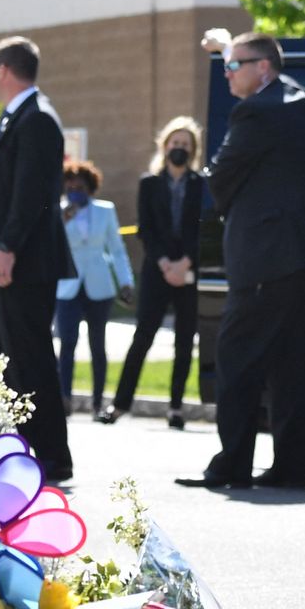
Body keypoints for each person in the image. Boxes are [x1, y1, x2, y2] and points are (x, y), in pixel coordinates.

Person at [176, 32, 305, 491]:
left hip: (266, 257)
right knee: (289, 364)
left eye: (234, 67)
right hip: (303, 258)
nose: (227, 74)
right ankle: (290, 468)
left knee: (237, 360)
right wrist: (228, 49)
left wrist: (219, 197)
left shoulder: (258, 111)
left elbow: (222, 175)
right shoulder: (296, 102)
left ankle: (231, 465)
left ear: (263, 69)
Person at [0, 36, 75, 482]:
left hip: (21, 264)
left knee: (29, 361)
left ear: (3, 70)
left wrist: (8, 247)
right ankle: (14, 449)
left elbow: (32, 195)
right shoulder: (15, 117)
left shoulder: (37, 119)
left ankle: (49, 455)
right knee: (2, 361)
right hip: (1, 263)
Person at [105, 117, 205, 430]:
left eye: (185, 145)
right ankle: (120, 404)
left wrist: (185, 262)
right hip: (156, 269)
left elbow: (202, 228)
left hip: (188, 270)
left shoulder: (201, 184)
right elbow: (145, 228)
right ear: (165, 146)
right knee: (143, 336)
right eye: (175, 143)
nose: (180, 149)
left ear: (193, 150)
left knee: (185, 341)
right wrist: (164, 263)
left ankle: (176, 407)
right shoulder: (149, 183)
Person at [55, 159, 132, 420]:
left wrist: (126, 282)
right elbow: (51, 246)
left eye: (80, 187)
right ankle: (64, 398)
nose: (75, 191)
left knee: (97, 345)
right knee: (67, 343)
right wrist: (62, 220)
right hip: (68, 286)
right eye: (70, 187)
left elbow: (117, 249)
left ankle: (97, 402)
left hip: (99, 285)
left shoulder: (104, 211)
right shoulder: (58, 212)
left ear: (90, 187)